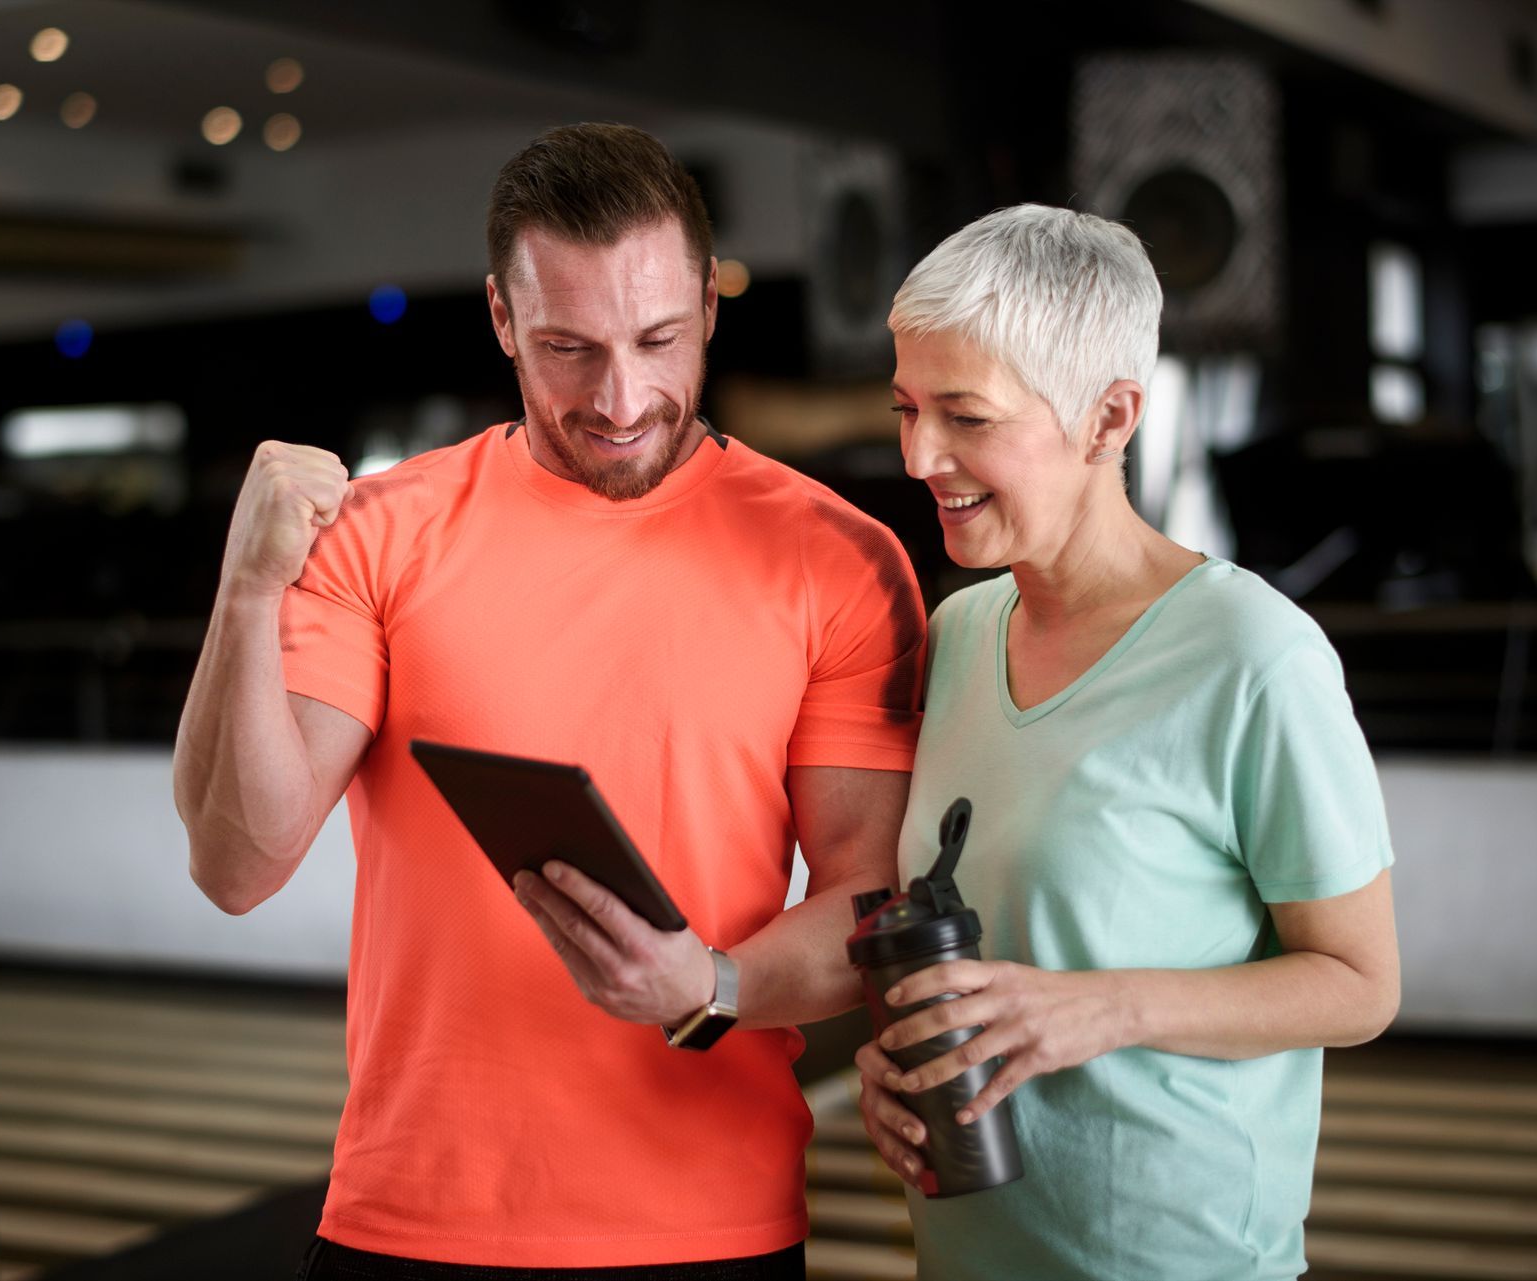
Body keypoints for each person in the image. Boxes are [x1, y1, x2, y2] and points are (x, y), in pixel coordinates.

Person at [173, 123, 927, 1278]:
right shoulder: (382, 533)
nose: (622, 397)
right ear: (501, 319)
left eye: (660, 340)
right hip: (409, 1219)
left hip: (708, 1222)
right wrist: (246, 585)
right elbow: (238, 866)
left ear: (710, 313)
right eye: (570, 348)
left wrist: (710, 988)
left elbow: (867, 905)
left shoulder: (839, 562)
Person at [854, 205, 1401, 1281]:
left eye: (966, 416)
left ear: (1110, 419)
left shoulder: (1254, 655)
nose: (921, 456)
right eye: (907, 409)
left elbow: (1358, 983)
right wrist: (893, 1063)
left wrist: (1103, 1007)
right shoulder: (959, 634)